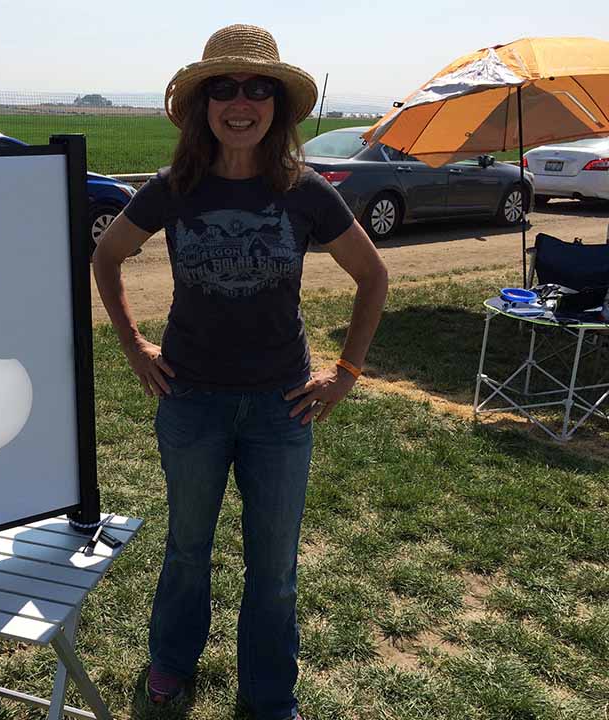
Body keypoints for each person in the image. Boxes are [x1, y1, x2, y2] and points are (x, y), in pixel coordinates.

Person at [92, 25, 388, 720]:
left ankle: (268, 694)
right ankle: (170, 663)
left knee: (275, 571)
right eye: (223, 87)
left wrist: (344, 374)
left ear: (278, 106)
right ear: (203, 104)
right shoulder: (173, 189)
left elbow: (373, 277)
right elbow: (106, 258)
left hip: (281, 408)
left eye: (259, 88)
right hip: (190, 400)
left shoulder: (306, 192)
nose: (241, 101)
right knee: (188, 548)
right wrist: (136, 346)